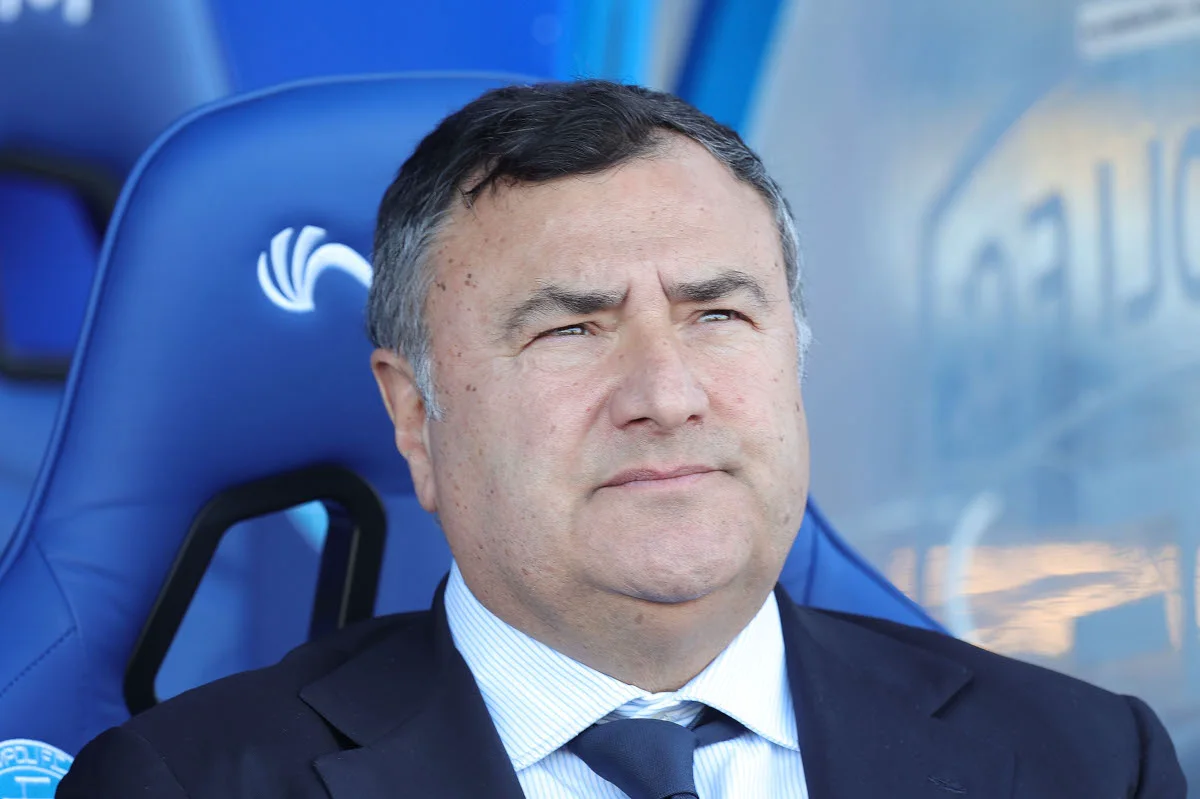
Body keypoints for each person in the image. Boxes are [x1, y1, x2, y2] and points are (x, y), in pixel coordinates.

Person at [58, 80, 1184, 798]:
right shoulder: (184, 788)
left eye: (718, 314)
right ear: (415, 415)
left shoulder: (1087, 765)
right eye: (572, 326)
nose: (667, 391)